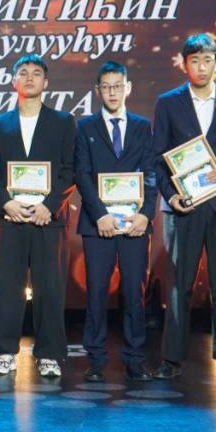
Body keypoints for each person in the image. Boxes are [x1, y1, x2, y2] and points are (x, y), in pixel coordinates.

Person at [152, 33, 216, 381]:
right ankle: (171, 359)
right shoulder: (168, 103)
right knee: (178, 285)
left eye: (207, 60)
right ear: (184, 64)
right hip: (184, 207)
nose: (201, 67)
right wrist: (171, 196)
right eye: (194, 61)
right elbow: (157, 157)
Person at [0, 55, 74, 379]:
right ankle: (4, 352)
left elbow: (69, 169)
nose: (30, 78)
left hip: (48, 219)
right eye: (23, 73)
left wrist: (50, 205)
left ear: (46, 82)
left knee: (50, 288)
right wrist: (6, 203)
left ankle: (49, 355)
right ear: (14, 81)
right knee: (6, 287)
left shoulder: (63, 121)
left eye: (37, 73)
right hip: (10, 218)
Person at [74, 61, 157, 383]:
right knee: (96, 292)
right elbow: (81, 174)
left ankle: (135, 359)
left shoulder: (142, 126)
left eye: (117, 86)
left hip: (135, 224)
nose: (112, 92)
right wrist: (101, 215)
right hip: (98, 224)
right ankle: (95, 360)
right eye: (106, 87)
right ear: (97, 91)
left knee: (135, 293)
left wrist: (145, 214)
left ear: (128, 88)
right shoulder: (85, 127)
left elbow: (151, 173)